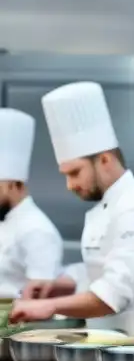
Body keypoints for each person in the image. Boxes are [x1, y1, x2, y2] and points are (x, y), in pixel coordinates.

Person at [8, 82, 134, 335]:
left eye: (75, 173)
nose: (70, 185)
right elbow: (100, 268)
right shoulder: (109, 206)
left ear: (104, 159)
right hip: (112, 343)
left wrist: (48, 306)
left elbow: (111, 295)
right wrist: (61, 284)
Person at [0, 109, 63, 299]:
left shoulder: (37, 230)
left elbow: (38, 299)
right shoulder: (5, 220)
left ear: (12, 184)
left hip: (19, 326)